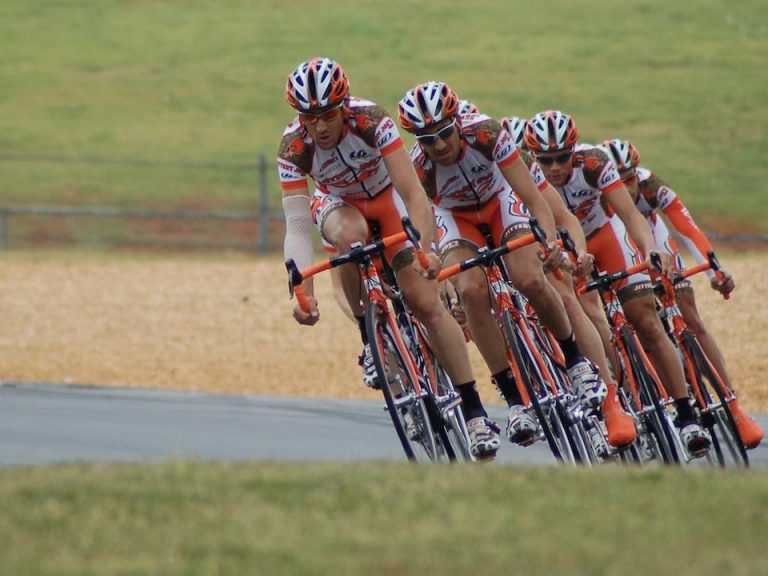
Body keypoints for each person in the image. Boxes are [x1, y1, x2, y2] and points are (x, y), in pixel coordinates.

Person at [277, 58, 500, 459]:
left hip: (387, 198)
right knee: (350, 237)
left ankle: (475, 411)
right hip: (339, 204)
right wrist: (302, 292)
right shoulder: (293, 147)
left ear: (344, 107)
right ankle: (370, 335)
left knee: (427, 305)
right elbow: (296, 225)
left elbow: (414, 194)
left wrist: (425, 250)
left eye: (328, 114)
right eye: (309, 118)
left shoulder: (371, 121)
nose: (320, 126)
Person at [397, 81, 613, 449]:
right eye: (427, 139)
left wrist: (547, 240)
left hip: (500, 200)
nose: (439, 145)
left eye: (445, 133)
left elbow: (532, 197)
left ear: (457, 123)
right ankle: (513, 399)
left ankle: (575, 360)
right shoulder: (418, 164)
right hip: (454, 215)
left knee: (529, 277)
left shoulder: (487, 133)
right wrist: (430, 258)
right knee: (470, 290)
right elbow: (425, 220)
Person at [524, 110, 712, 457]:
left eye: (562, 157)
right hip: (562, 248)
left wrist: (652, 249)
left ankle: (686, 416)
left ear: (574, 151)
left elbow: (631, 216)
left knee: (645, 320)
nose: (555, 168)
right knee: (585, 312)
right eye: (546, 160)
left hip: (605, 237)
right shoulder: (524, 175)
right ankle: (614, 396)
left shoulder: (594, 163)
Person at [598, 138, 763, 449]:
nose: (627, 188)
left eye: (630, 179)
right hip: (618, 247)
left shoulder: (650, 186)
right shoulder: (594, 195)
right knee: (632, 319)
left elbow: (686, 227)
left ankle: (733, 406)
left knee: (690, 315)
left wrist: (715, 271)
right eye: (619, 181)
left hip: (654, 242)